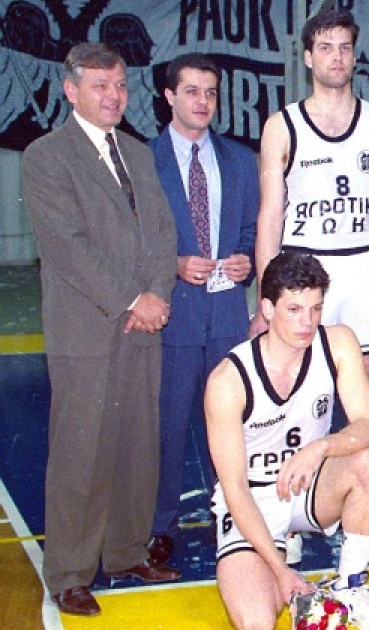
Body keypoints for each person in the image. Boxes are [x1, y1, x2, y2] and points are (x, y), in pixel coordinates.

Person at [23, 42, 180, 617]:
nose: (114, 96)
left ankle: (126, 552)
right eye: (100, 86)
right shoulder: (46, 157)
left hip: (143, 326)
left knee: (137, 445)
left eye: (120, 86)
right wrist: (132, 298)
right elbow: (68, 246)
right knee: (80, 451)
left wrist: (156, 296)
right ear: (72, 91)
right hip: (87, 330)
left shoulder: (137, 153)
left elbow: (162, 232)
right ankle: (69, 572)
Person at [206, 252, 369, 630]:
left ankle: (350, 585)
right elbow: (235, 489)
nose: (307, 322)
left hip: (309, 486)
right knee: (257, 621)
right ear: (267, 308)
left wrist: (320, 447)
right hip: (253, 500)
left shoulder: (337, 342)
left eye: (315, 308)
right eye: (294, 309)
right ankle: (282, 563)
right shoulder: (228, 380)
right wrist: (281, 573)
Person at [146, 53, 259, 565]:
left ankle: (229, 516)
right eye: (191, 91)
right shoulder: (144, 160)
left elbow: (251, 231)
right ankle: (160, 526)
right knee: (167, 427)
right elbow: (134, 239)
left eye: (210, 92)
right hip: (173, 313)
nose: (203, 101)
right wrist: (172, 263)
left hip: (227, 315)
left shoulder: (238, 159)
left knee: (229, 423)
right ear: (169, 96)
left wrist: (246, 262)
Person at [255, 8, 369, 386]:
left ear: (354, 56)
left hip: (362, 269)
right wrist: (265, 298)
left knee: (364, 380)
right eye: (325, 47)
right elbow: (270, 218)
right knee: (299, 381)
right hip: (302, 268)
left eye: (344, 47)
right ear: (308, 57)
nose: (336, 56)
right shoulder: (282, 126)